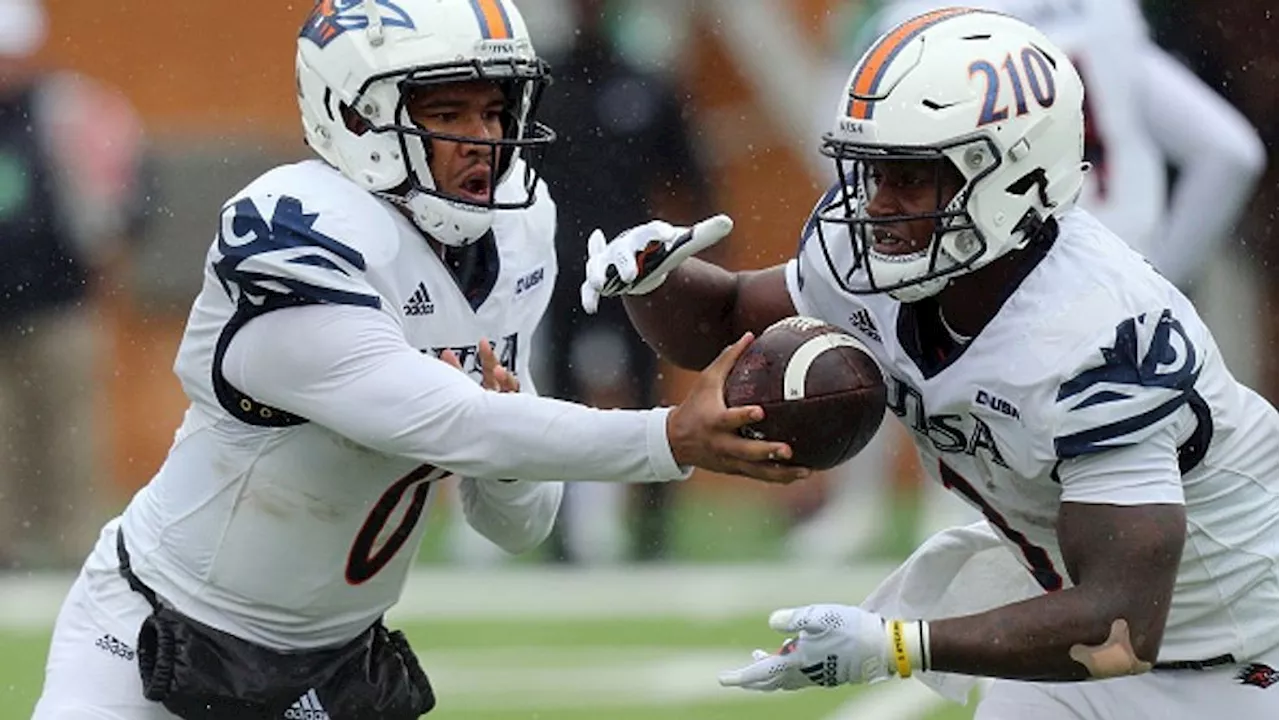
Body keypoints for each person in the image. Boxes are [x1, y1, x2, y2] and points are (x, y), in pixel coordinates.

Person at [31, 1, 805, 718]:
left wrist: (506, 450)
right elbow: (445, 422)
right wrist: (667, 437)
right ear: (352, 112)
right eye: (447, 112)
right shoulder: (293, 230)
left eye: (495, 109)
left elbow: (517, 523)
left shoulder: (514, 228)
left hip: (333, 668)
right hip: (153, 642)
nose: (485, 138)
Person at [582, 7, 1280, 718]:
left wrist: (898, 644)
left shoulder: (1096, 334)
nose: (877, 206)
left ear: (1013, 176)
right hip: (1081, 629)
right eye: (872, 171)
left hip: (1238, 656)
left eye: (910, 178)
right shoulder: (883, 252)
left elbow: (1120, 626)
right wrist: (649, 280)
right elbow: (725, 320)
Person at [788, 0, 1269, 564]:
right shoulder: (1105, 16)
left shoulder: (924, 20)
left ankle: (865, 515)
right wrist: (1159, 272)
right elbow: (1229, 151)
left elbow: (867, 163)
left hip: (996, 267)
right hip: (1098, 273)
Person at [535, 0, 715, 564]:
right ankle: (559, 535)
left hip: (634, 269)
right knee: (556, 403)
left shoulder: (645, 86)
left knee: (647, 397)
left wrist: (707, 260)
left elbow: (688, 175)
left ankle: (653, 528)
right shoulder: (542, 87)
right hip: (559, 268)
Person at [0, 0, 146, 571]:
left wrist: (101, 254)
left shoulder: (72, 110)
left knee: (68, 434)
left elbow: (126, 194)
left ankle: (70, 552)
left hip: (59, 302)